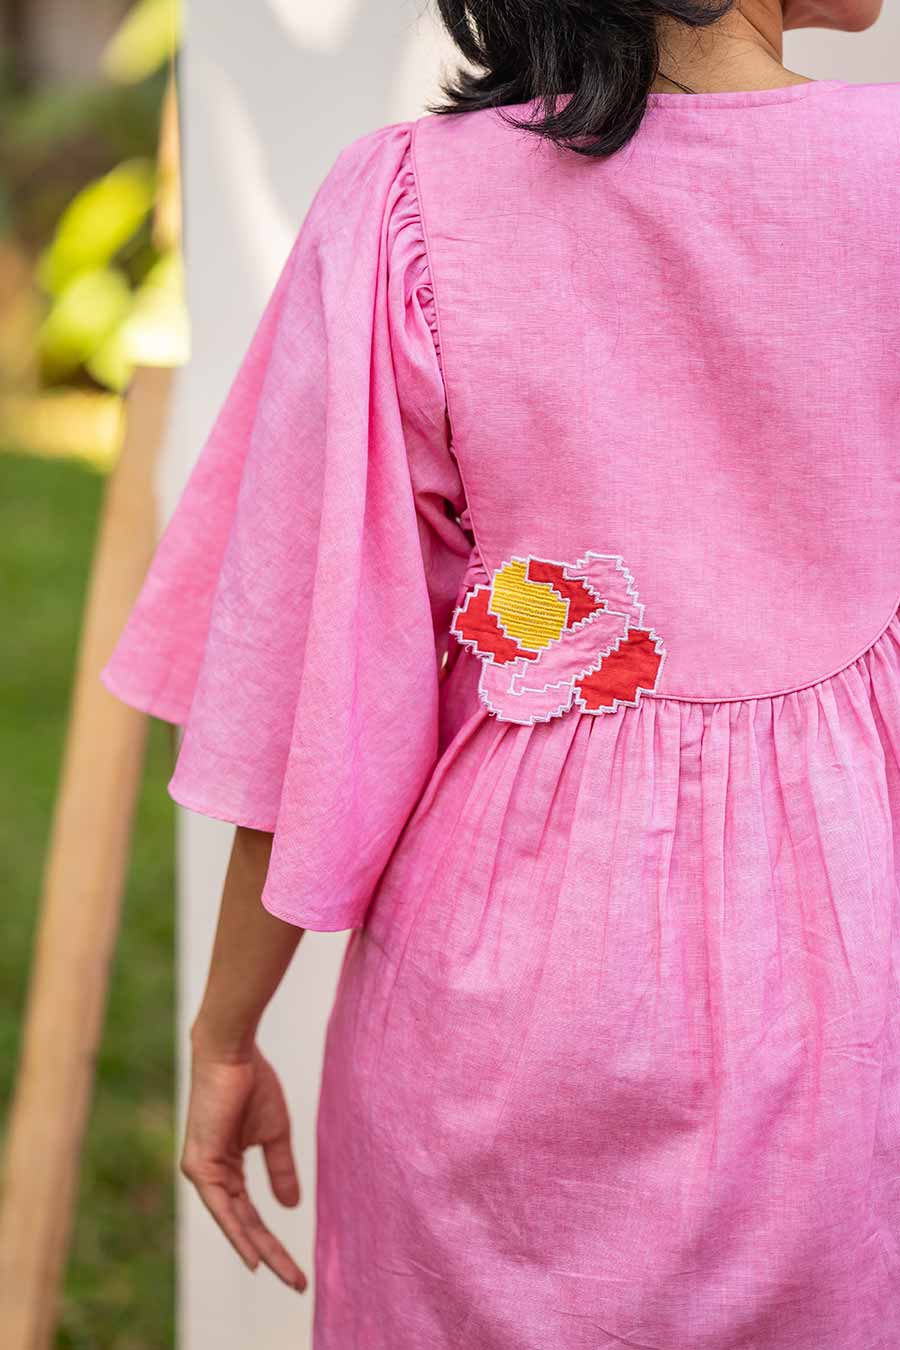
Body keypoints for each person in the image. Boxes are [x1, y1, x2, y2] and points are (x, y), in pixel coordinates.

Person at [99, 0, 900, 1340]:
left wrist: (228, 1032)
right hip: (846, 971)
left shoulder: (416, 205)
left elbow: (326, 677)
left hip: (504, 994)